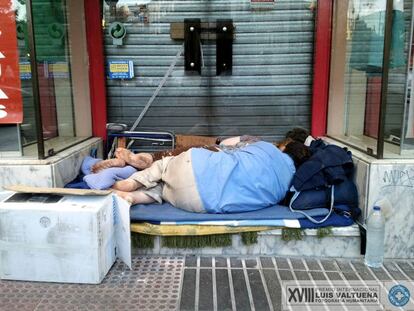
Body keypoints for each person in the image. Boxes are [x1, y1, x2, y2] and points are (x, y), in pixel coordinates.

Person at [112, 140, 311, 214]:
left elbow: (232, 147)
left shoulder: (267, 147)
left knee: (164, 166)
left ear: (284, 148)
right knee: (165, 191)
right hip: (198, 203)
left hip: (193, 168)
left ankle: (133, 182)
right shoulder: (286, 187)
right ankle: (134, 198)